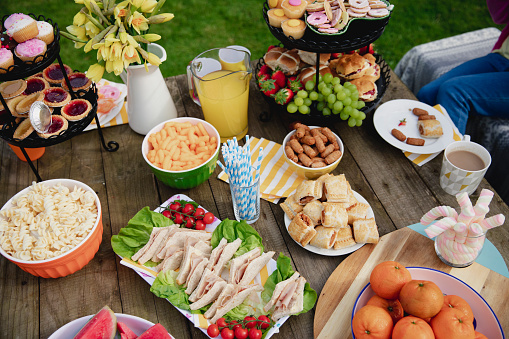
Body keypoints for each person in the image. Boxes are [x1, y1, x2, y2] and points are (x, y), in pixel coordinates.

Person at [417, 0, 509, 134]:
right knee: (427, 94)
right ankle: (415, 149)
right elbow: (500, 14)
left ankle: (446, 154)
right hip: (503, 56)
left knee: (453, 93)